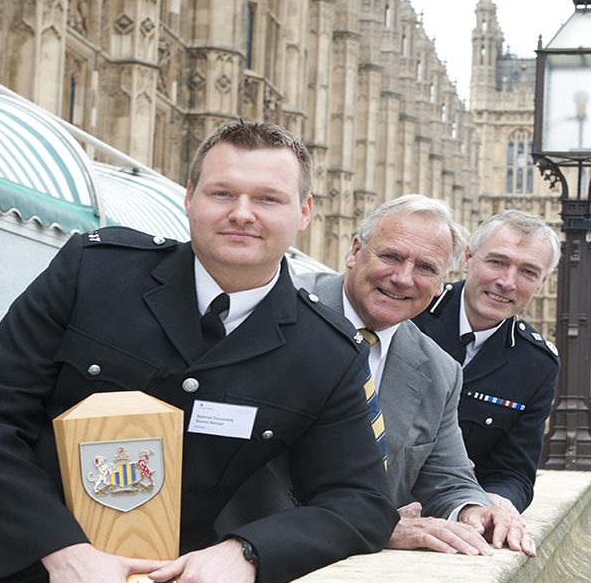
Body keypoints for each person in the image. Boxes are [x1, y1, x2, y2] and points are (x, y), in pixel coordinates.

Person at [0, 120, 399, 583]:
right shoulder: (93, 272)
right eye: (222, 193)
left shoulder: (326, 353)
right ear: (190, 198)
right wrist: (61, 549)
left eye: (268, 198)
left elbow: (360, 502)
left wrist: (248, 551)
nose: (242, 213)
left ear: (303, 212)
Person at [218, 196, 536, 557]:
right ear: (355, 251)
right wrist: (368, 523)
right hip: (226, 555)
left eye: (426, 268)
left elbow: (449, 478)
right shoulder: (267, 307)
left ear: (440, 282)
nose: (403, 278)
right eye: (391, 257)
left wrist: (474, 511)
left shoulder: (439, 370)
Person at [412, 210, 561, 514]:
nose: (507, 282)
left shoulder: (536, 364)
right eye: (497, 262)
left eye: (528, 272)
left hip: (449, 513)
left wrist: (495, 503)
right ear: (467, 258)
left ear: (542, 282)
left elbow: (513, 472)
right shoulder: (411, 312)